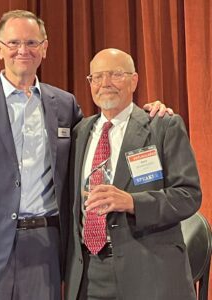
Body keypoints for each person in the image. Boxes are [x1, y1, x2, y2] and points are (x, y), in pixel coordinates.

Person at [0, 10, 171, 300]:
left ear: (44, 49)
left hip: (45, 248)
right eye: (14, 43)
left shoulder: (64, 103)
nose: (23, 50)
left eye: (32, 43)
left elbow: (103, 136)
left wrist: (148, 113)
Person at [65, 48, 201, 300]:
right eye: (97, 77)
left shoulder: (162, 125)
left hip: (149, 271)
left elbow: (188, 196)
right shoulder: (79, 132)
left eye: (116, 74)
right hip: (89, 273)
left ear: (134, 80)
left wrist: (132, 202)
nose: (105, 83)